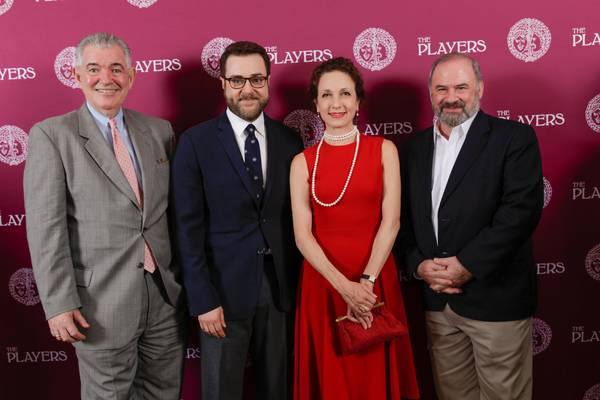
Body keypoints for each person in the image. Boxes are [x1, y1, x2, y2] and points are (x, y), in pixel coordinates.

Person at [23, 32, 185, 399]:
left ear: (131, 75)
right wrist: (59, 303)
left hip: (164, 299)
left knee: (164, 393)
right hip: (98, 305)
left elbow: (173, 215)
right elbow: (46, 228)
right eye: (94, 69)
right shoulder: (52, 136)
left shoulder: (160, 132)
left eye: (116, 68)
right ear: (77, 76)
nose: (106, 78)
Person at [401, 52, 543, 400]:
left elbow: (520, 213)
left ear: (480, 88)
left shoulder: (514, 139)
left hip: (496, 301)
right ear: (430, 92)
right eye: (441, 88)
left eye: (461, 87)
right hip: (438, 304)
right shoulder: (412, 149)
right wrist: (418, 265)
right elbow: (401, 220)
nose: (451, 97)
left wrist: (467, 266)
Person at [171, 41, 303, 400]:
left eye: (257, 79)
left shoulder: (290, 140)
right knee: (221, 393)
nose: (248, 89)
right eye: (238, 80)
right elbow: (186, 228)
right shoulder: (195, 143)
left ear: (268, 81)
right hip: (221, 295)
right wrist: (202, 299)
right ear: (223, 84)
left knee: (278, 390)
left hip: (279, 291)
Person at [290, 57, 420, 400]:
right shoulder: (302, 162)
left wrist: (364, 284)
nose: (336, 103)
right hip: (324, 284)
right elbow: (302, 235)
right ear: (315, 104)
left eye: (345, 93)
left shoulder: (384, 150)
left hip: (374, 281)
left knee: (373, 375)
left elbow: (391, 221)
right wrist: (342, 287)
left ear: (358, 101)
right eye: (327, 95)